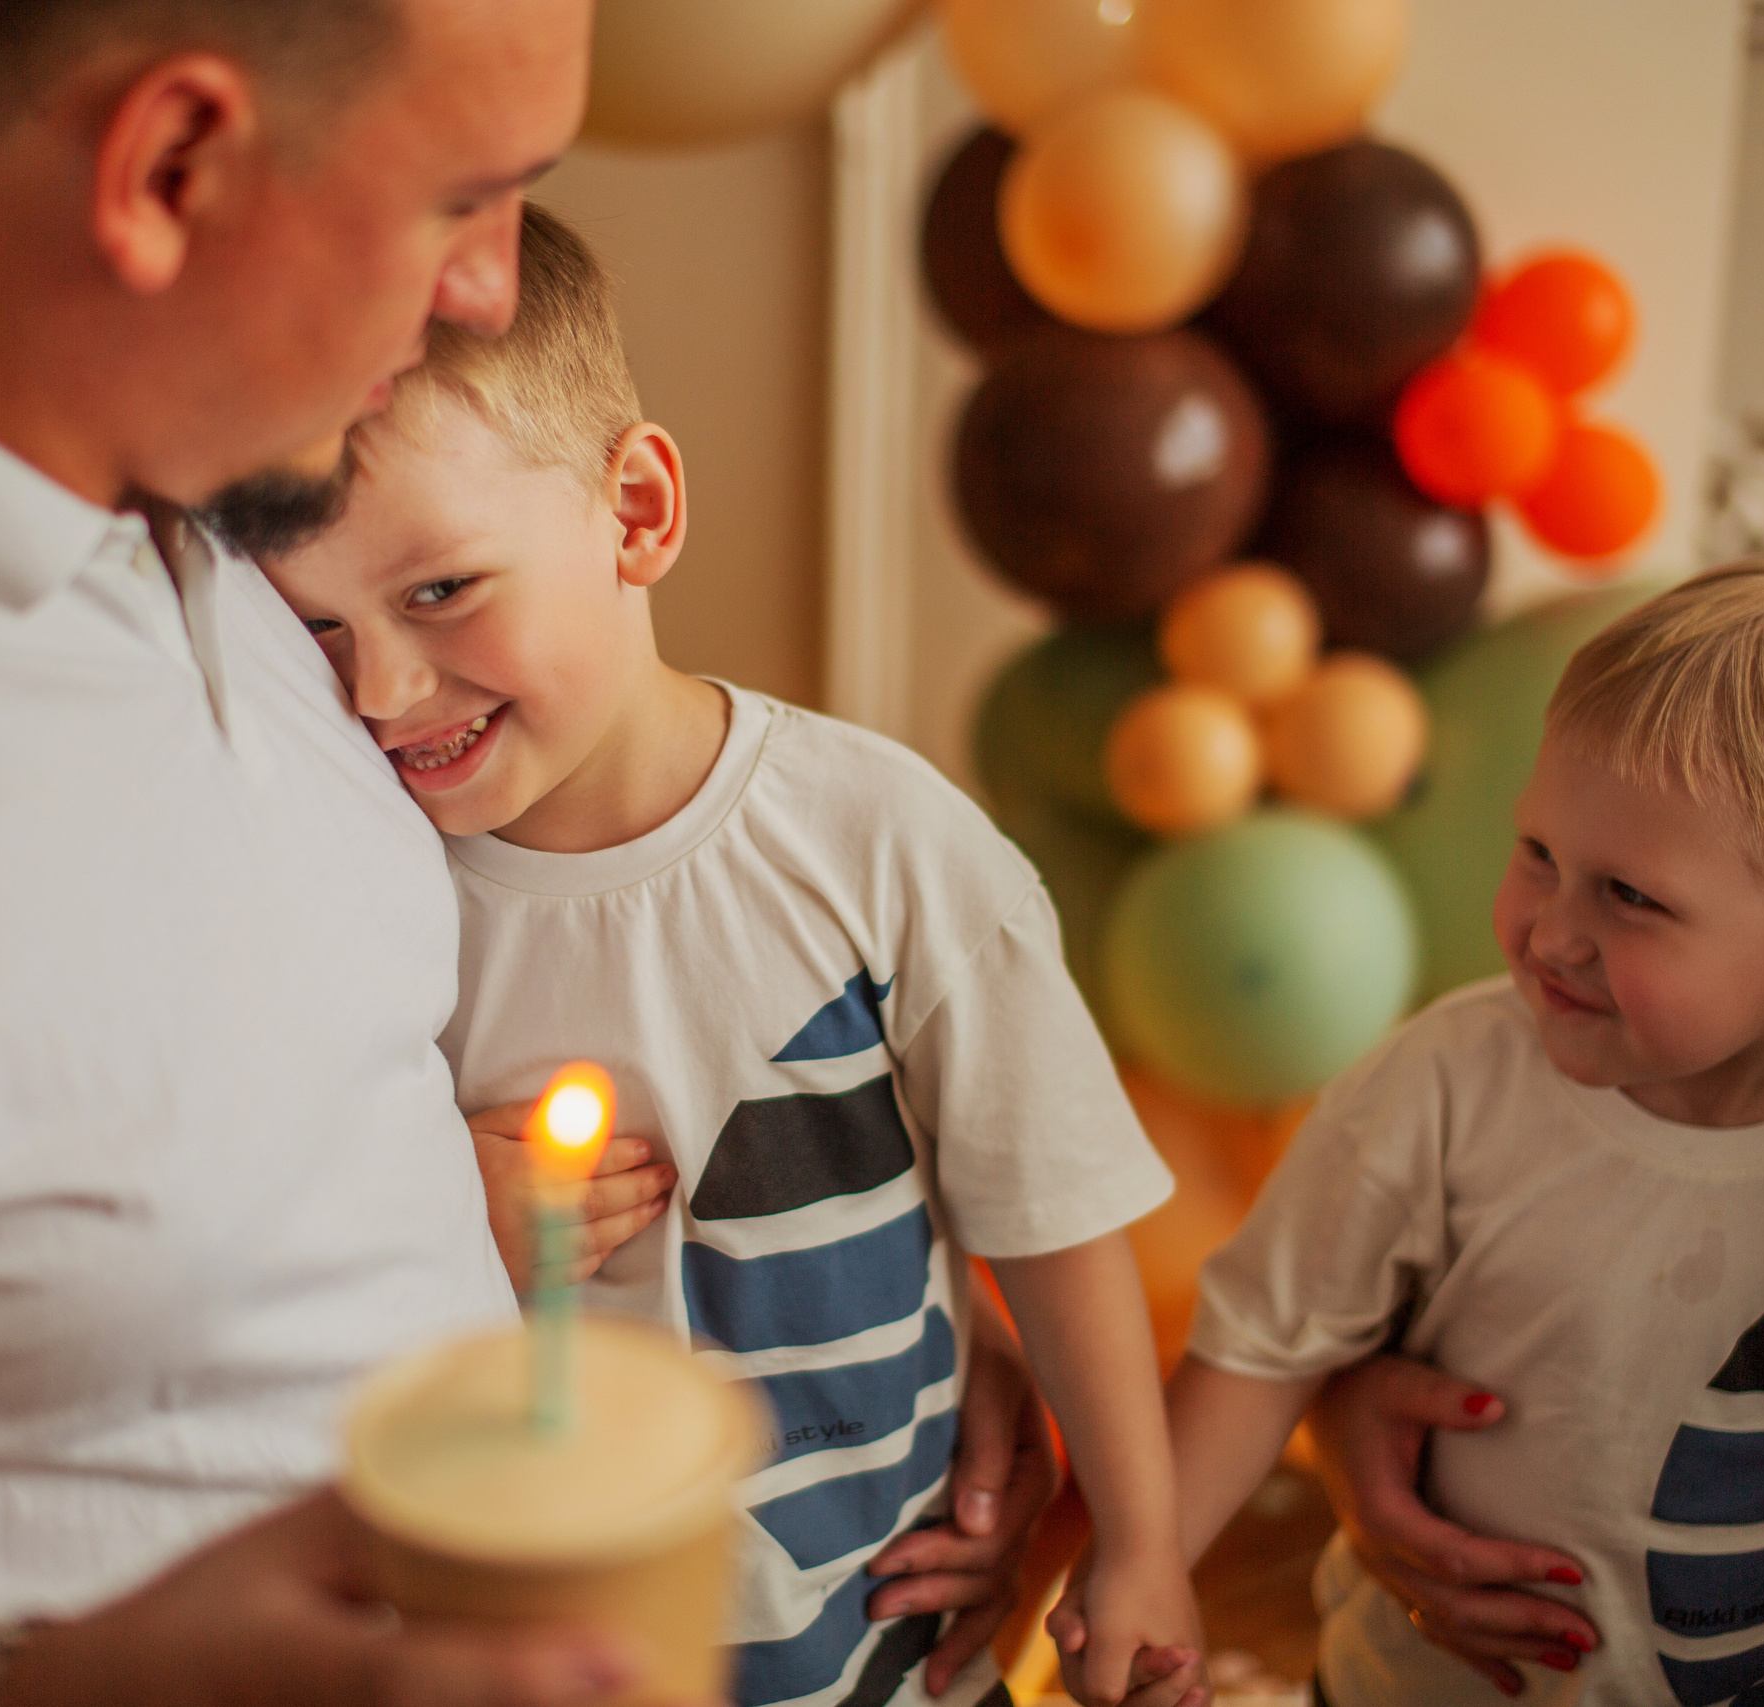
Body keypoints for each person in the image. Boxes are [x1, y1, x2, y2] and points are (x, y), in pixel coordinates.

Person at [0, 2, 1057, 1703]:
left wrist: (911, 1326)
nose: (489, 290)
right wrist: (64, 1688)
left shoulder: (237, 489)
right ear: (170, 170)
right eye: (459, 199)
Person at [244, 201, 1204, 1707]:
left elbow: (1055, 1199)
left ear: (635, 510)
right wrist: (441, 1213)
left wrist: (1140, 1537)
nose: (380, 686)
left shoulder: (879, 838)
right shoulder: (358, 890)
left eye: (440, 591)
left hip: (881, 1621)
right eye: (311, 625)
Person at [1127, 565, 1764, 1704]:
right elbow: (1259, 1343)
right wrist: (1145, 1573)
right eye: (1537, 852)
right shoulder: (1446, 1080)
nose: (1548, 932)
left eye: (1630, 897)